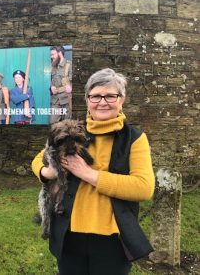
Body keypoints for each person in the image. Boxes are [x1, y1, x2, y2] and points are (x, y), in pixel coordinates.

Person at [32, 68, 155, 275]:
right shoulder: (73, 130)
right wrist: (48, 173)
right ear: (87, 100)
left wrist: (88, 173)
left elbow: (144, 188)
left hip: (111, 239)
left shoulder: (134, 137)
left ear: (122, 99)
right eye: (96, 96)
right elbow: (38, 159)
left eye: (110, 95)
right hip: (69, 233)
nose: (102, 101)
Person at [50, 46, 72, 124]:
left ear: (59, 53)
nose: (51, 57)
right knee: (53, 123)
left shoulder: (69, 65)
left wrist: (71, 87)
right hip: (56, 100)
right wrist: (51, 87)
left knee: (67, 124)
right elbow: (51, 81)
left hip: (67, 99)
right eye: (51, 55)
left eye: (53, 54)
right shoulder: (53, 66)